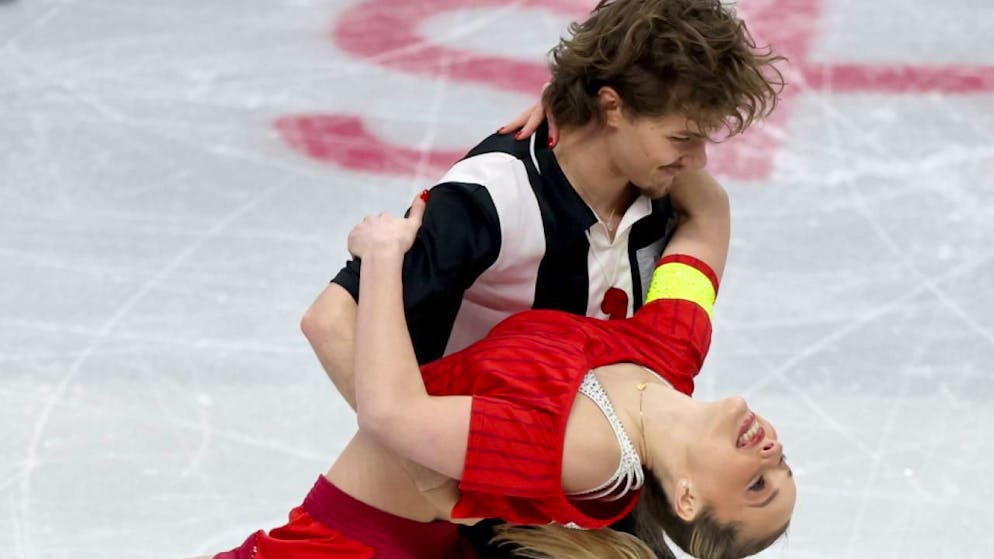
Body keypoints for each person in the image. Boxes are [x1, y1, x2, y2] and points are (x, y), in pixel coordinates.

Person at [302, 1, 782, 550]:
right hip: (464, 498)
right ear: (613, 108)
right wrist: (432, 475)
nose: (697, 161)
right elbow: (330, 320)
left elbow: (709, 208)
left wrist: (574, 99)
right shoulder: (492, 201)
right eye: (681, 139)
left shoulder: (663, 195)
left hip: (588, 486)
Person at [207, 170, 795, 559]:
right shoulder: (671, 349)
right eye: (785, 465)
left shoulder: (584, 450)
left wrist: (383, 257)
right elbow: (707, 215)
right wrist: (586, 111)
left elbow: (389, 411)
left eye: (757, 486)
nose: (772, 455)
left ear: (687, 499)